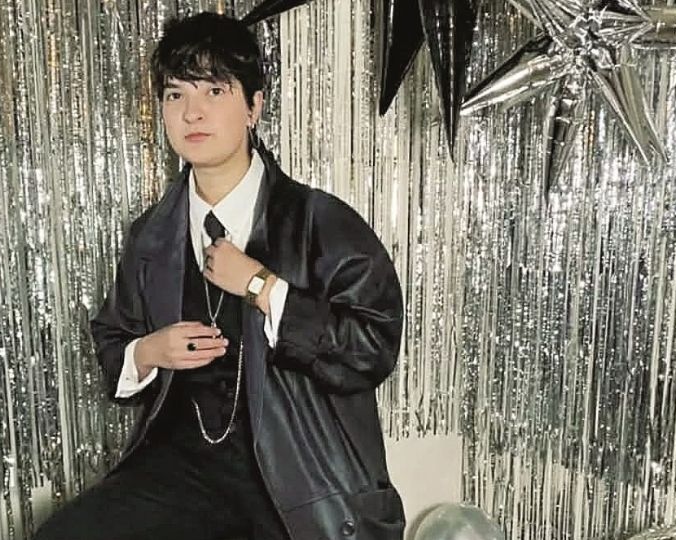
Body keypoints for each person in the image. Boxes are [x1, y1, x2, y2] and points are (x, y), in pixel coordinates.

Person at [34, 11, 405, 540]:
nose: (193, 112)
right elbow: (114, 341)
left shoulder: (318, 222)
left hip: (294, 480)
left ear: (254, 106)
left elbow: (372, 348)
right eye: (175, 94)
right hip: (179, 470)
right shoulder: (151, 236)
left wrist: (263, 287)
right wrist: (149, 351)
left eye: (214, 90)